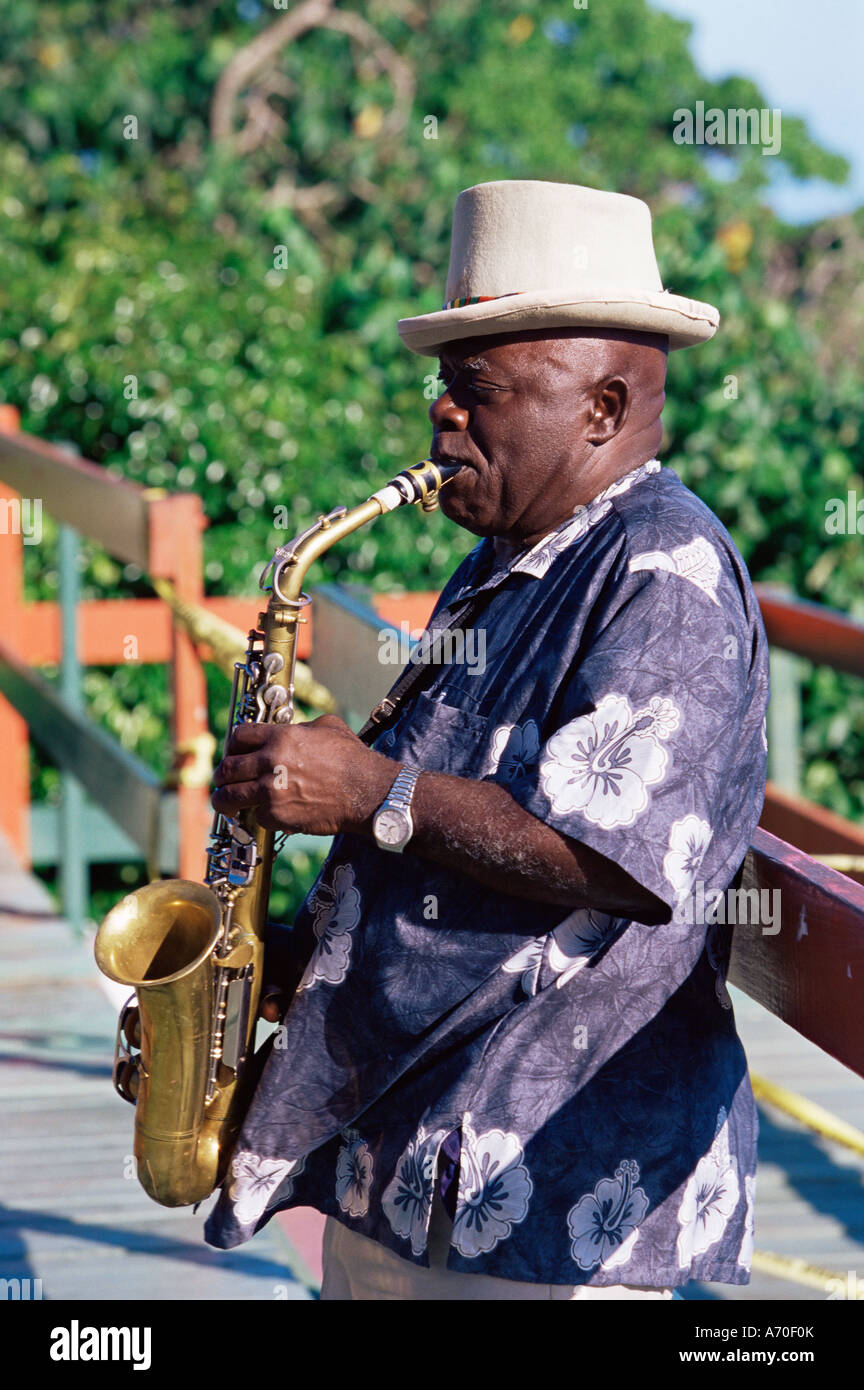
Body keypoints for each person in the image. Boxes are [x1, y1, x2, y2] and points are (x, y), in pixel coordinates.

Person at [203, 180, 769, 1300]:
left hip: (551, 1197)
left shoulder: (667, 572)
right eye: (443, 393)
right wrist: (287, 955)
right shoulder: (510, 557)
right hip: (419, 1168)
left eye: (481, 395)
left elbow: (614, 857)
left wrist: (369, 791)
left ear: (602, 408)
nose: (442, 422)